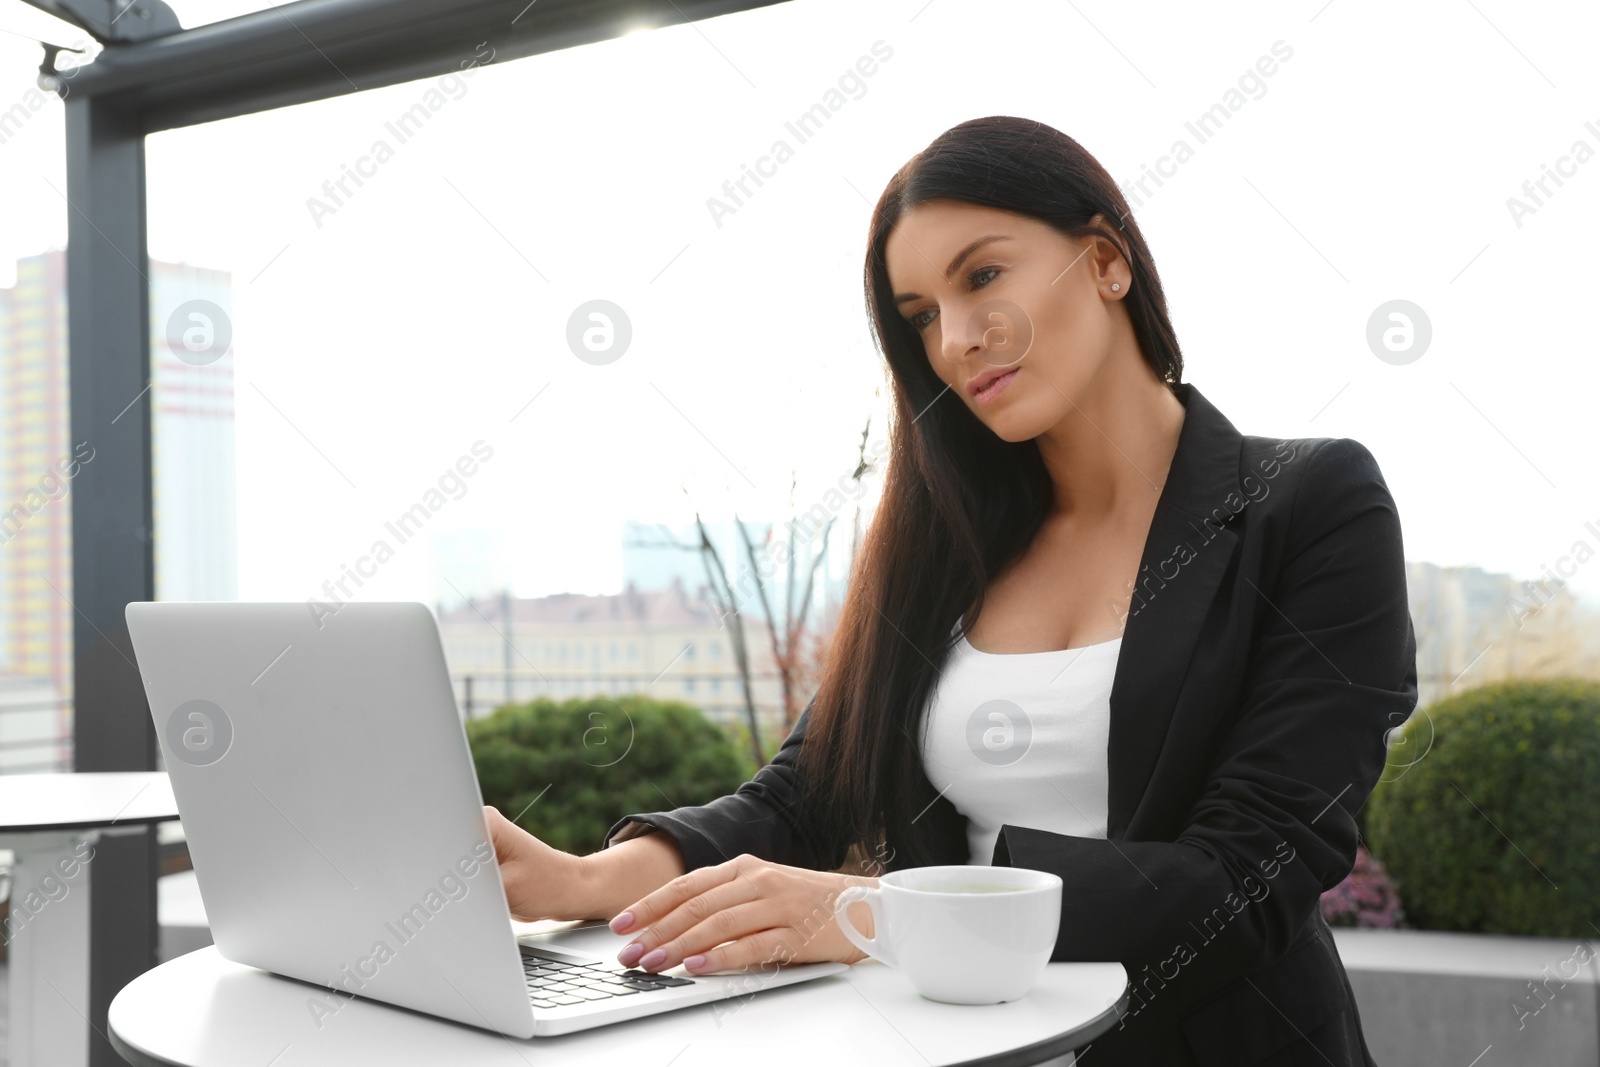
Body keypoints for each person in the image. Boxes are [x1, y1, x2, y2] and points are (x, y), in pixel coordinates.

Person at [485, 115, 1414, 1066]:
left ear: (1105, 261)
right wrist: (582, 880)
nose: (958, 340)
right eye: (921, 314)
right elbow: (808, 793)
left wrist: (874, 915)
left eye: (981, 278)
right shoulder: (950, 542)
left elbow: (1250, 875)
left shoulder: (1309, 504)